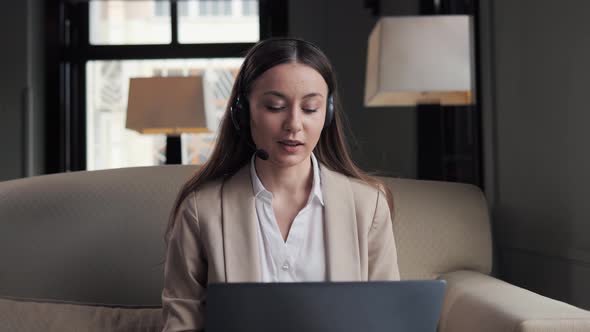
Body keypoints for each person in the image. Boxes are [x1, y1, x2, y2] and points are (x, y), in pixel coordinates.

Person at [161, 37, 400, 331]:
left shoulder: (368, 206)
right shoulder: (202, 210)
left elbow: (387, 321)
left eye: (310, 108)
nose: (294, 124)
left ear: (328, 114)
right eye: (275, 107)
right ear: (243, 112)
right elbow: (182, 324)